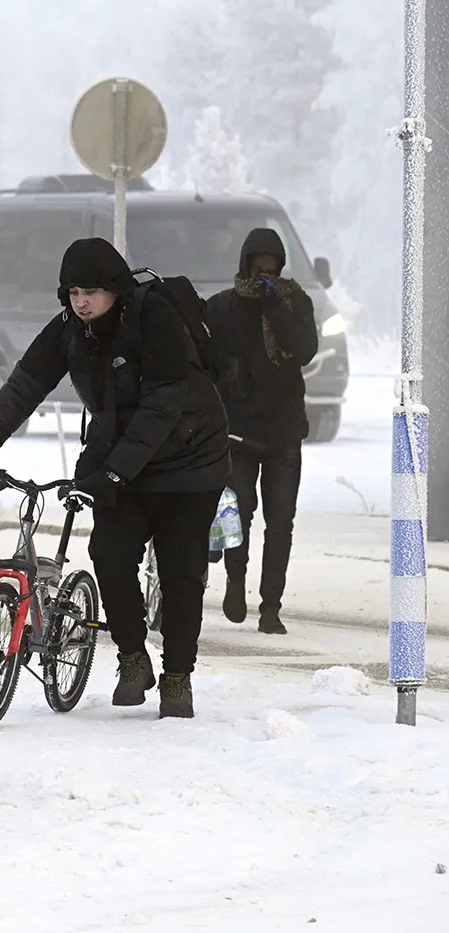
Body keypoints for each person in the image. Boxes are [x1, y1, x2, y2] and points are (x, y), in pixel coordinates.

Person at [0, 238, 229, 718]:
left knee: (181, 574)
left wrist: (113, 473)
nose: (81, 301)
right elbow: (23, 386)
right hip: (120, 461)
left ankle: (177, 677)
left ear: (116, 289)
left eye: (92, 290)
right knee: (109, 554)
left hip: (188, 461)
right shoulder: (70, 332)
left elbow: (162, 406)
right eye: (73, 291)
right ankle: (133, 658)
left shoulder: (154, 317)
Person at [206, 228, 319, 635]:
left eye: (272, 268)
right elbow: (206, 359)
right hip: (238, 429)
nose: (266, 275)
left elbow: (304, 350)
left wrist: (277, 307)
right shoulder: (223, 308)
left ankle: (271, 605)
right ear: (246, 265)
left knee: (281, 520)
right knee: (238, 516)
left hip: (284, 428)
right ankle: (236, 584)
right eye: (259, 268)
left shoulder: (294, 302)